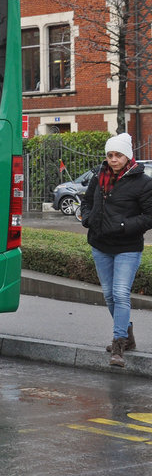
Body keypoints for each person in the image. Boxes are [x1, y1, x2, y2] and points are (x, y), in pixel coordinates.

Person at [79, 131, 152, 368]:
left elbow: (149, 216)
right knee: (109, 295)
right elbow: (87, 201)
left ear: (127, 156)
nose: (113, 159)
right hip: (100, 245)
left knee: (120, 294)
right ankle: (127, 334)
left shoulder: (143, 183)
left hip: (127, 247)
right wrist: (87, 219)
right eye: (110, 155)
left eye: (118, 155)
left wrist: (123, 226)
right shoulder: (99, 176)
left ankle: (119, 344)